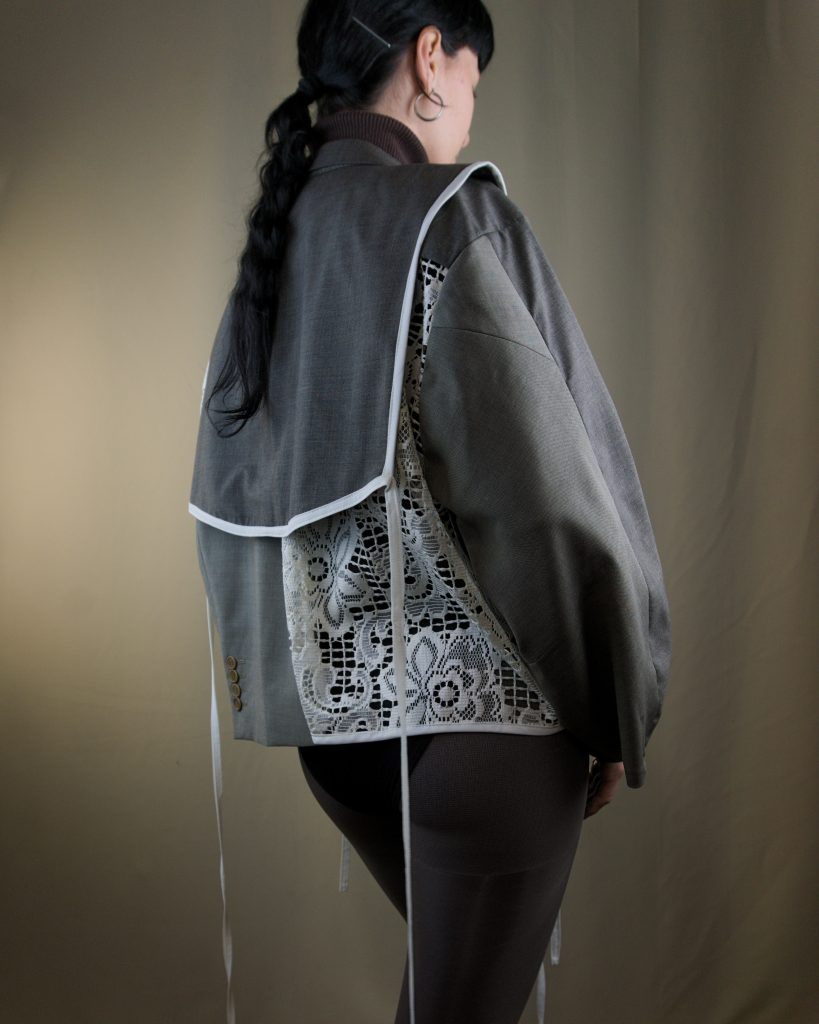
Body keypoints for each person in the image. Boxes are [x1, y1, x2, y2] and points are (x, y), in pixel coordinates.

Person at [188, 2, 672, 1022]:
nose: (470, 115)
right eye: (472, 84)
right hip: (485, 738)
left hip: (336, 742)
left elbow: (240, 502)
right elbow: (551, 498)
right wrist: (617, 700)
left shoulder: (274, 246)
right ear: (429, 59)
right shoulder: (450, 214)